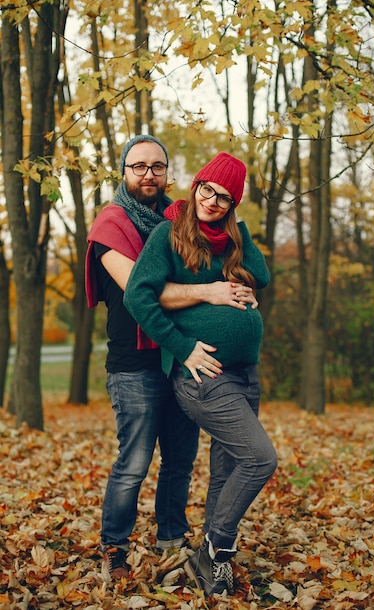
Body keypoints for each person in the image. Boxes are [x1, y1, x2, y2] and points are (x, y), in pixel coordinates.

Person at [85, 136, 257, 581]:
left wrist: (240, 286)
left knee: (180, 458)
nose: (148, 174)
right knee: (136, 460)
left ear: (169, 173)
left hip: (179, 362)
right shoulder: (111, 227)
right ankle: (114, 547)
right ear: (124, 171)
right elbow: (145, 293)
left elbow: (239, 261)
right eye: (138, 166)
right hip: (135, 362)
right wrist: (212, 292)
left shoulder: (182, 220)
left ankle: (171, 538)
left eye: (157, 166)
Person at [124, 152, 278, 597]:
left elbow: (262, 276)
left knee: (228, 468)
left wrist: (240, 231)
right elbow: (139, 297)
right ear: (195, 186)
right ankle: (216, 546)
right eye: (207, 190)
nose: (211, 201)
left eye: (224, 198)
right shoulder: (167, 234)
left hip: (245, 373)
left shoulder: (233, 239)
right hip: (203, 374)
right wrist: (183, 347)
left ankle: (211, 567)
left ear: (233, 205)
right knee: (260, 458)